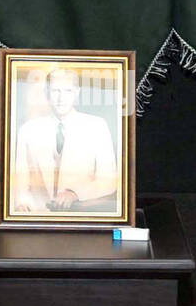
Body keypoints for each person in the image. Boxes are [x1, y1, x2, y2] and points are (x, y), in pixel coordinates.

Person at [12, 66, 118, 213]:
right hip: (38, 218)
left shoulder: (97, 127)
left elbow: (109, 181)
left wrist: (75, 193)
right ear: (47, 94)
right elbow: (20, 183)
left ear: (77, 93)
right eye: (56, 91)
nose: (61, 98)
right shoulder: (27, 130)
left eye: (68, 91)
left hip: (80, 217)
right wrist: (23, 205)